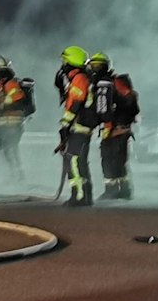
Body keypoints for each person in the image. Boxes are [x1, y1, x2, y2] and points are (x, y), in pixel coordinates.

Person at [89, 53, 141, 200]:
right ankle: (123, 190)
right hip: (116, 129)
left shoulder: (108, 84)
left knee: (111, 160)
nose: (94, 69)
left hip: (116, 129)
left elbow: (106, 109)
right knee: (115, 161)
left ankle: (114, 190)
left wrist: (112, 124)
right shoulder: (109, 83)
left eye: (96, 66)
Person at [55, 47, 97, 206]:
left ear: (72, 62)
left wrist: (65, 125)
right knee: (80, 162)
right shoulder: (82, 77)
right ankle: (86, 195)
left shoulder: (79, 78)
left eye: (65, 61)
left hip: (79, 126)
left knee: (72, 160)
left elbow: (75, 103)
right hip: (82, 126)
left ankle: (78, 196)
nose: (63, 64)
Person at [0, 57, 35, 179]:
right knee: (7, 150)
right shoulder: (0, 84)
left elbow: (15, 98)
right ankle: (13, 175)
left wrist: (4, 104)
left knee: (11, 149)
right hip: (4, 123)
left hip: (12, 123)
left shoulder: (11, 83)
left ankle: (18, 175)